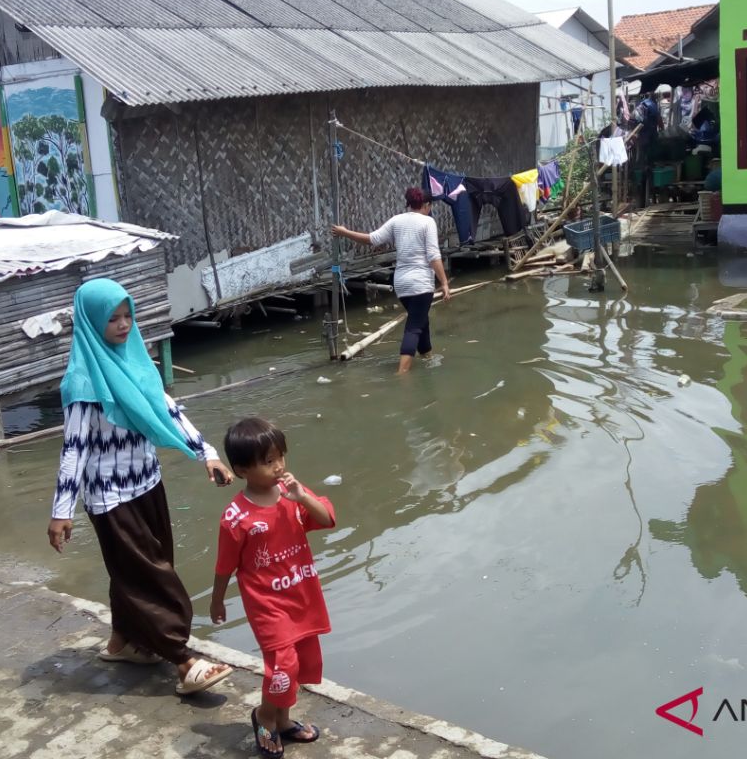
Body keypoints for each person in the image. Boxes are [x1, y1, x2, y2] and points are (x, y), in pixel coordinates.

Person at [46, 278, 236, 696]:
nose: (123, 325)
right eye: (112, 318)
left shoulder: (136, 363)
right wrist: (63, 510)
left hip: (147, 484)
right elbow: (74, 449)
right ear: (92, 323)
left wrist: (206, 453)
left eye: (127, 315)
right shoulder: (83, 384)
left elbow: (168, 410)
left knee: (136, 567)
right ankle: (183, 660)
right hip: (110, 496)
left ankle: (123, 642)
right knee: (151, 574)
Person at [210, 418, 335, 759]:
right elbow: (225, 566)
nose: (279, 466)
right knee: (284, 666)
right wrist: (217, 601)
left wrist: (302, 498)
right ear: (241, 469)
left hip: (301, 595)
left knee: (302, 660)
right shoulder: (236, 517)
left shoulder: (293, 492)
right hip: (268, 604)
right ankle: (264, 716)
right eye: (267, 461)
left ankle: (283, 719)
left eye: (280, 456)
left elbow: (325, 518)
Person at [331, 187, 452, 373]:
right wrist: (444, 282)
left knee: (420, 322)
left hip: (402, 284)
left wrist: (345, 232)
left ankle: (428, 357)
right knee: (414, 327)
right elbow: (433, 255)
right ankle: (402, 373)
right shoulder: (428, 222)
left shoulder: (397, 220)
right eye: (430, 206)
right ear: (427, 205)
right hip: (420, 284)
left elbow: (371, 239)